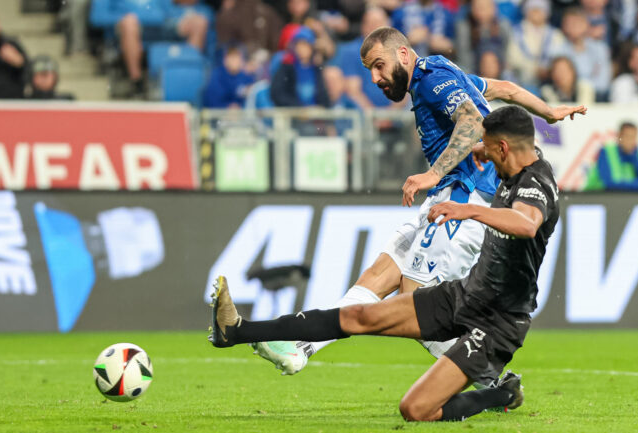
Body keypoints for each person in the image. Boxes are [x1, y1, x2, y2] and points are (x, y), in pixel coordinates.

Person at [250, 26, 585, 378]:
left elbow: (472, 121)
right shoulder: (444, 71)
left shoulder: (429, 81)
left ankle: (490, 380)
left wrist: (433, 174)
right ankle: (303, 348)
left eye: (379, 65)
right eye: (370, 70)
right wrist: (548, 112)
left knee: (413, 300)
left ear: (404, 55)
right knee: (379, 275)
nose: (376, 77)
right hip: (449, 195)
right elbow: (505, 89)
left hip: (465, 195)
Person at [209, 105, 560, 422]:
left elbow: (526, 224)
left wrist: (467, 208)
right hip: (464, 296)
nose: (489, 161)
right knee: (359, 315)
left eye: (492, 151)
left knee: (415, 409)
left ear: (505, 149)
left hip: (497, 322)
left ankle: (498, 393)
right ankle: (238, 331)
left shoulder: (537, 184)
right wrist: (481, 146)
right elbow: (512, 135)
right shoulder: (518, 155)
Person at [506, 0, 566, 90]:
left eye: (540, 10)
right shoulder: (516, 32)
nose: (537, 13)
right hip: (522, 81)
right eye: (533, 10)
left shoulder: (556, 34)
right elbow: (513, 59)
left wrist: (547, 69)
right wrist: (533, 70)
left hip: (549, 81)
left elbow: (559, 57)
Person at [556, 7, 611, 100]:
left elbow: (603, 83)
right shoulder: (558, 50)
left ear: (587, 25)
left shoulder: (600, 48)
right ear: (563, 27)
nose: (574, 27)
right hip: (567, 97)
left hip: (597, 97)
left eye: (577, 23)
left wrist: (585, 87)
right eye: (570, 23)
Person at [583, 121, 638, 193]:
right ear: (619, 137)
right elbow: (609, 184)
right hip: (595, 199)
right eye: (628, 136)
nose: (631, 141)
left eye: (634, 137)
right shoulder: (606, 152)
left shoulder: (636, 156)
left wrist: (627, 184)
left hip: (620, 200)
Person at [270, 26, 330, 108]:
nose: (302, 49)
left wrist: (319, 108)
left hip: (314, 117)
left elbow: (323, 96)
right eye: (299, 44)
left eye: (305, 44)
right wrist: (300, 108)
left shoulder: (316, 69)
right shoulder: (287, 67)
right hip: (293, 115)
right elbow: (278, 94)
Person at [455, 0, 511, 75]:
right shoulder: (464, 27)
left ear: (494, 8)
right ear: (471, 8)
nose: (482, 11)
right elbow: (463, 55)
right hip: (473, 69)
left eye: (486, 7)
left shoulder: (503, 25)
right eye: (478, 7)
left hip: (499, 69)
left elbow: (506, 51)